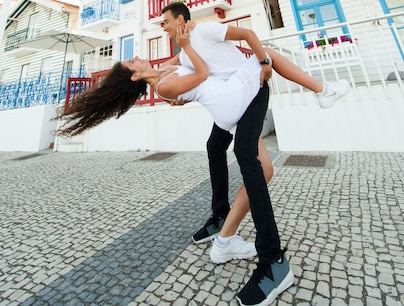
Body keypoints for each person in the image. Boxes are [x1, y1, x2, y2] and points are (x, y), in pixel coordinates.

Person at [55, 23, 295, 306]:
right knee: (246, 159)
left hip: (231, 96)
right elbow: (199, 73)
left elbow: (183, 68)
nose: (139, 56)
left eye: (167, 21)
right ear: (134, 74)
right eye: (133, 61)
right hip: (230, 101)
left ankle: (228, 231)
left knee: (244, 158)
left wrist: (182, 50)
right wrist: (183, 51)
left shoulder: (168, 64)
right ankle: (253, 248)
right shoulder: (164, 76)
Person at [160, 2, 350, 264]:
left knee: (260, 165)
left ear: (181, 19)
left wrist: (263, 63)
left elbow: (249, 35)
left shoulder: (204, 31)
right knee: (218, 149)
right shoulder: (186, 54)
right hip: (234, 102)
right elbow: (169, 72)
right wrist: (171, 94)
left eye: (166, 22)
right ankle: (221, 225)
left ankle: (322, 90)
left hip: (247, 87)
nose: (164, 28)